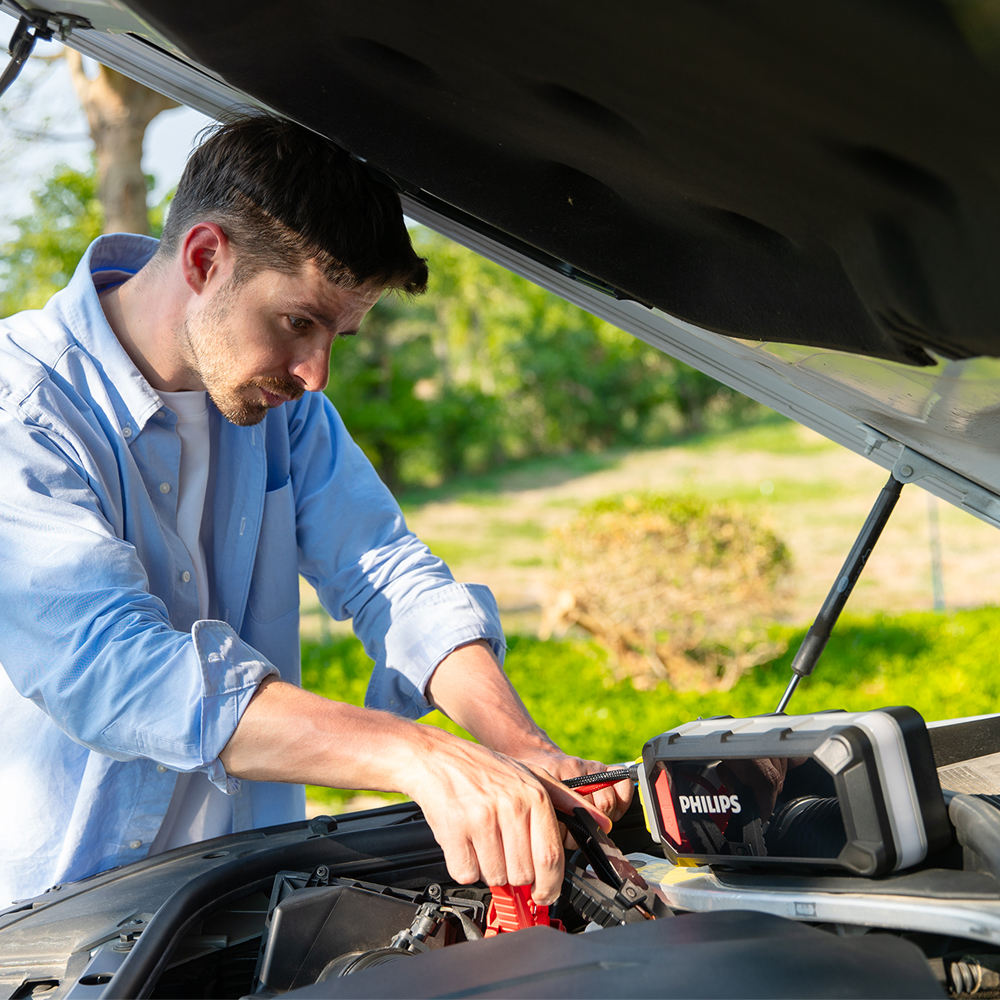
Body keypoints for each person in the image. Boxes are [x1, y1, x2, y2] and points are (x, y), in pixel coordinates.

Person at [0, 114, 632, 909]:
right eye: (299, 322)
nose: (316, 373)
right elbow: (112, 668)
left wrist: (522, 748)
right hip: (42, 929)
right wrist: (417, 756)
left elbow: (388, 577)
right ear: (204, 259)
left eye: (340, 335)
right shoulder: (21, 413)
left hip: (236, 903)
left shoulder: (281, 409)